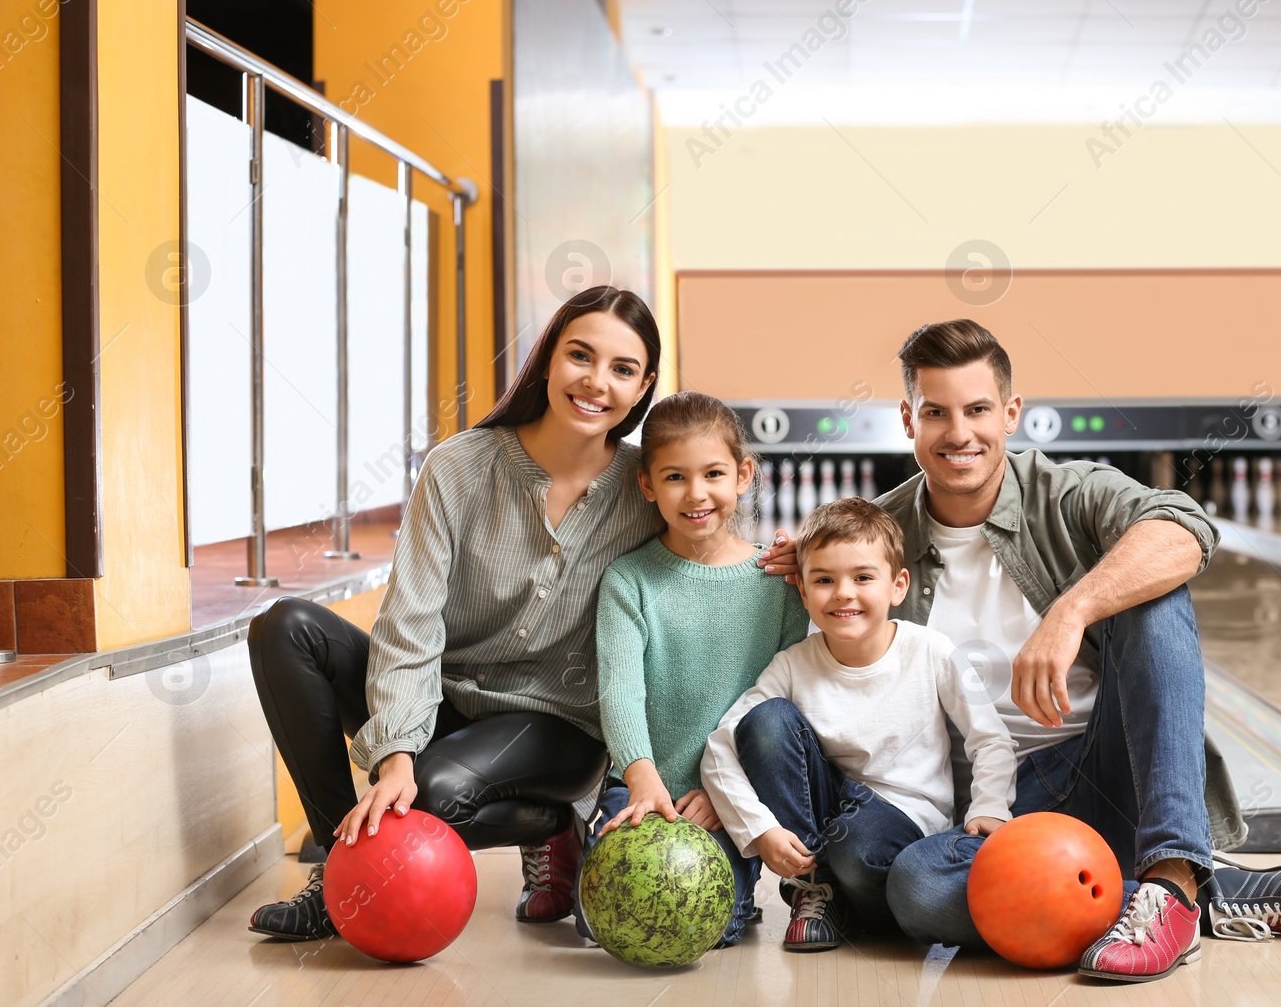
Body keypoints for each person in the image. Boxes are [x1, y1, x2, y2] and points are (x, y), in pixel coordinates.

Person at [758, 320, 1281, 982]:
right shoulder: (875, 535)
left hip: (1101, 777)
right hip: (975, 810)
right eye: (936, 413)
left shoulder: (1069, 494)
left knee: (1152, 591)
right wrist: (805, 571)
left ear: (1010, 412)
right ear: (907, 420)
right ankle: (1171, 898)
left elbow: (1186, 527)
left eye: (977, 409)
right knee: (918, 889)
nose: (959, 433)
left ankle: (1172, 873)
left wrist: (1073, 609)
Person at [245, 286, 665, 941]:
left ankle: (556, 822)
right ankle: (338, 872)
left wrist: (789, 559)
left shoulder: (646, 489)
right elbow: (409, 623)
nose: (595, 381)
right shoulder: (459, 468)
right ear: (548, 359)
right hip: (448, 701)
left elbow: (712, 540)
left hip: (558, 723)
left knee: (434, 796)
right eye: (579, 355)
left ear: (643, 387)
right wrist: (396, 754)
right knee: (284, 626)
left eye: (621, 368)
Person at [702, 497, 1017, 952]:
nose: (843, 593)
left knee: (856, 846)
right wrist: (758, 829)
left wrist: (989, 805)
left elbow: (989, 738)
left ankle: (853, 903)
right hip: (831, 817)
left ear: (898, 585)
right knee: (766, 722)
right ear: (804, 592)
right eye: (824, 580)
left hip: (905, 821)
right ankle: (818, 890)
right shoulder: (792, 664)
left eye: (863, 577)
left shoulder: (931, 651)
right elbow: (721, 745)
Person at [576, 391, 811, 948]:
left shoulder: (777, 584)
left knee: (708, 927)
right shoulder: (628, 581)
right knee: (604, 922)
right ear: (647, 485)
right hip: (642, 784)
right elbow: (621, 694)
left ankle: (742, 889)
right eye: (675, 477)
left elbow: (784, 709)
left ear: (743, 475)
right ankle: (571, 840)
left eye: (713, 473)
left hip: (734, 793)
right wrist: (644, 783)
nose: (696, 493)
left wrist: (724, 792)